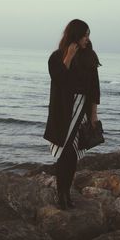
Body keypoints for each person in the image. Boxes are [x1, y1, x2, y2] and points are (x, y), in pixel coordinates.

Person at [43, 19, 101, 210]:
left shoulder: (90, 57)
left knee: (73, 155)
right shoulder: (56, 57)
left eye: (88, 35)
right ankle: (62, 195)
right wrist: (68, 56)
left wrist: (93, 115)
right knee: (65, 155)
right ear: (75, 35)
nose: (87, 38)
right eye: (85, 34)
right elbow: (59, 79)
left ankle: (66, 193)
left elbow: (94, 90)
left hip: (81, 110)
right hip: (63, 111)